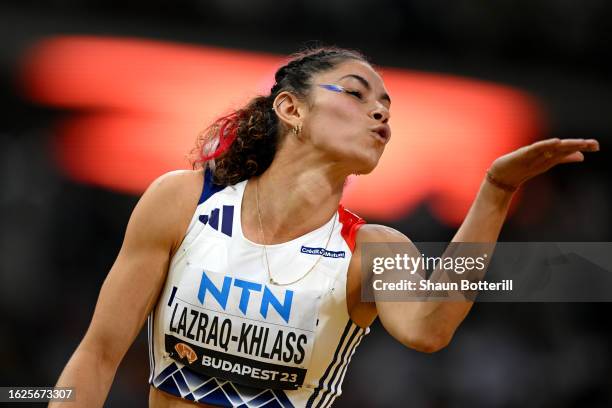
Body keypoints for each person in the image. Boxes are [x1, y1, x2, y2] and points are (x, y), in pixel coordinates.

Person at [49, 47, 599, 408]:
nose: (380, 112)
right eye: (357, 94)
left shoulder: (373, 248)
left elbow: (429, 329)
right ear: (290, 109)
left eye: (386, 106)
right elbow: (98, 355)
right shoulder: (184, 200)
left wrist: (496, 193)